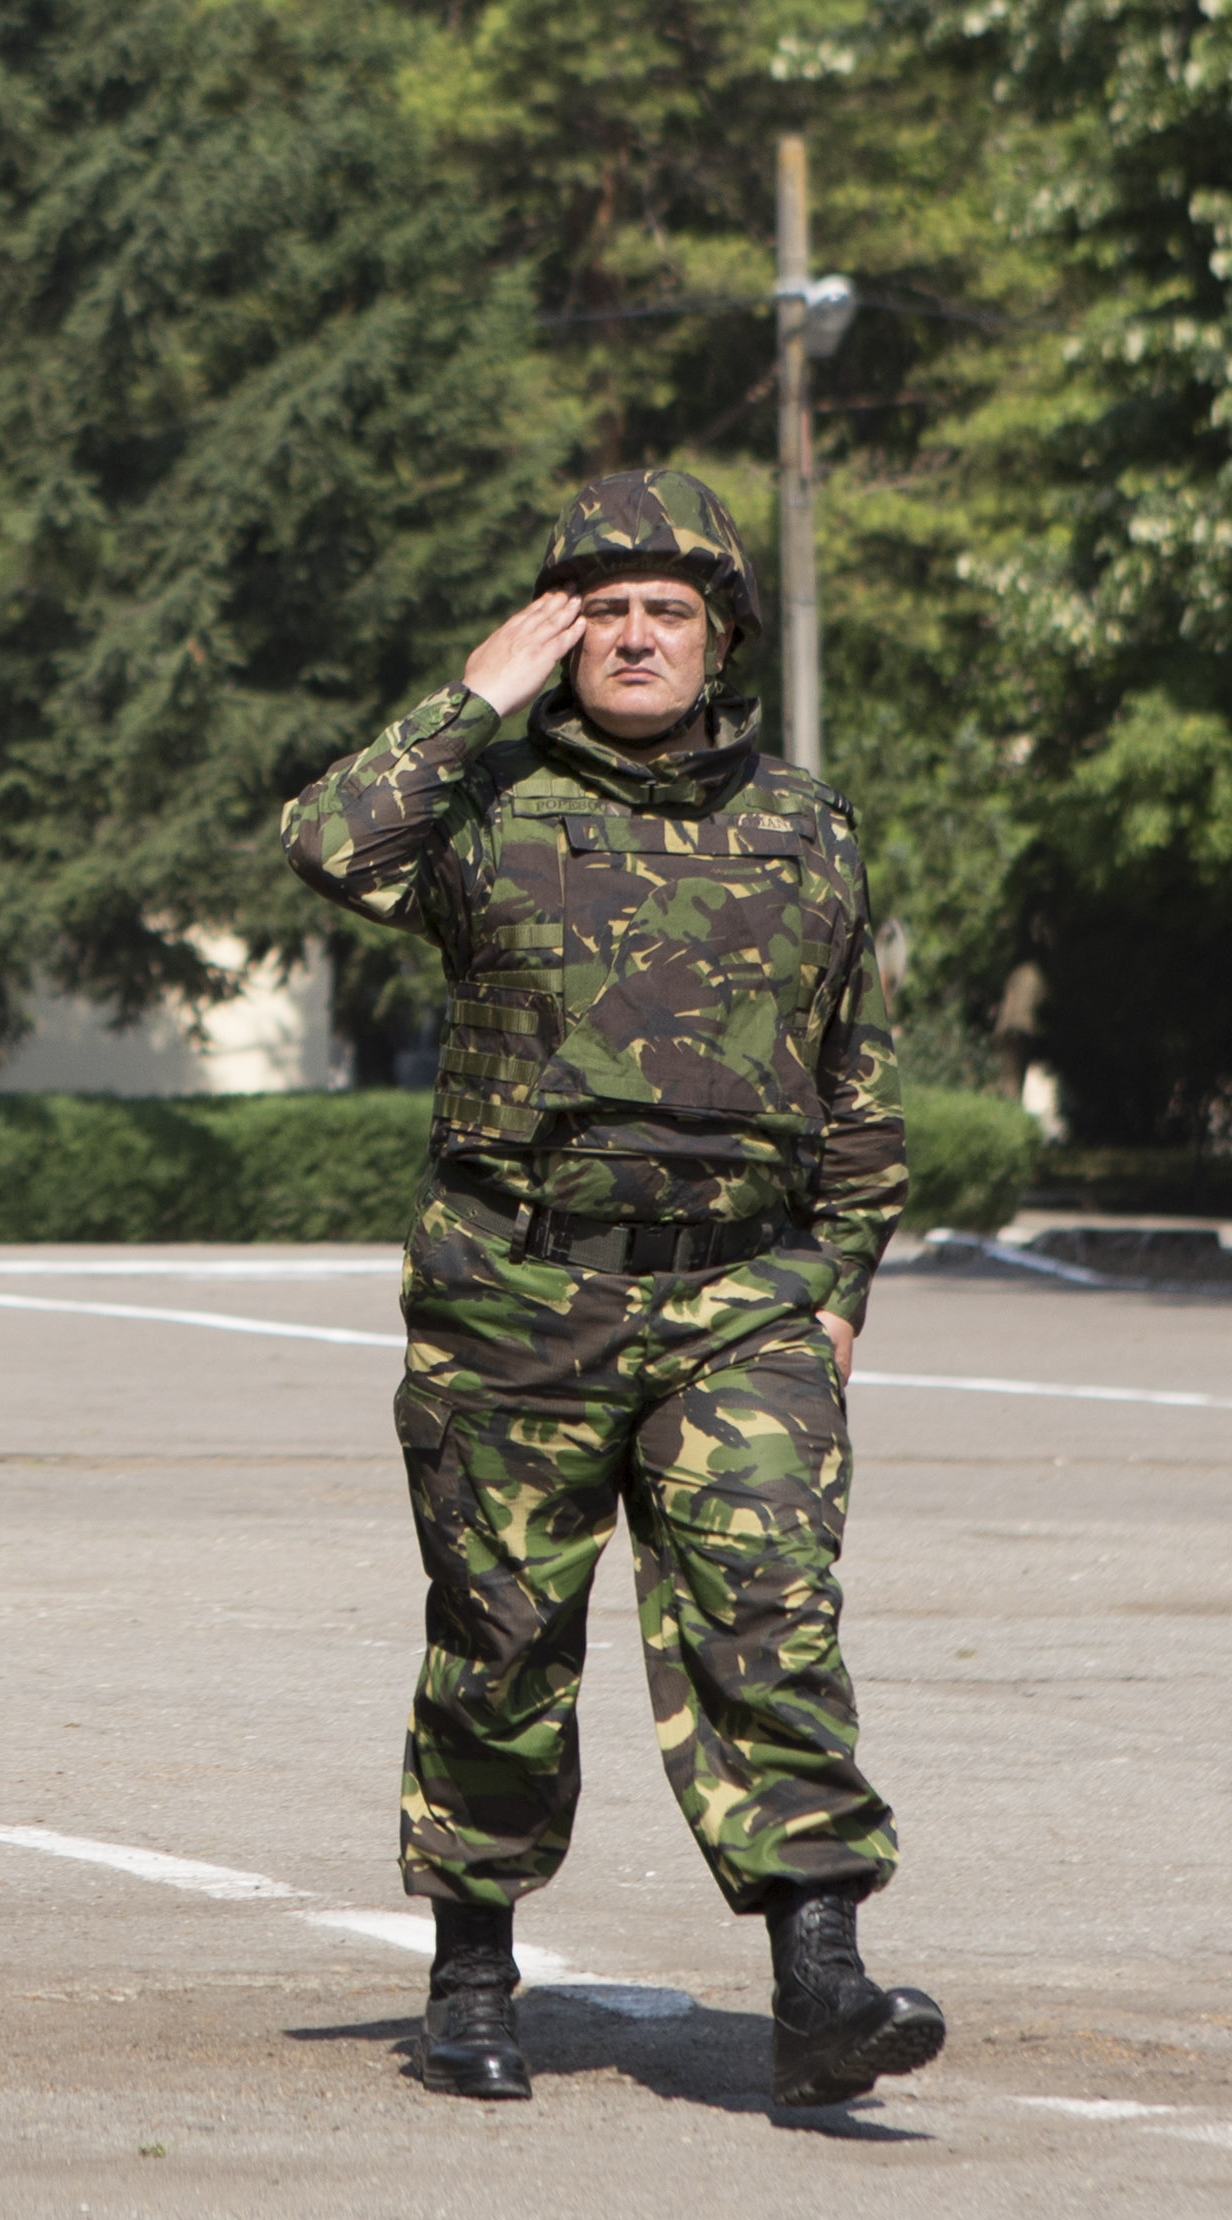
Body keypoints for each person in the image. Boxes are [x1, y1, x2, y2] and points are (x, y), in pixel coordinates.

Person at [282, 468, 941, 2110]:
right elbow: (326, 842)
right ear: (556, 636)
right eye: (601, 612)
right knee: (499, 1638)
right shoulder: (482, 810)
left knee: (771, 1617)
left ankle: (820, 1973)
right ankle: (472, 1968)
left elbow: (858, 1080)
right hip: (518, 1295)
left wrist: (839, 1283)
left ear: (721, 638)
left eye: (667, 609)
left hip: (744, 1302)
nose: (636, 636)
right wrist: (471, 696)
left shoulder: (808, 827)